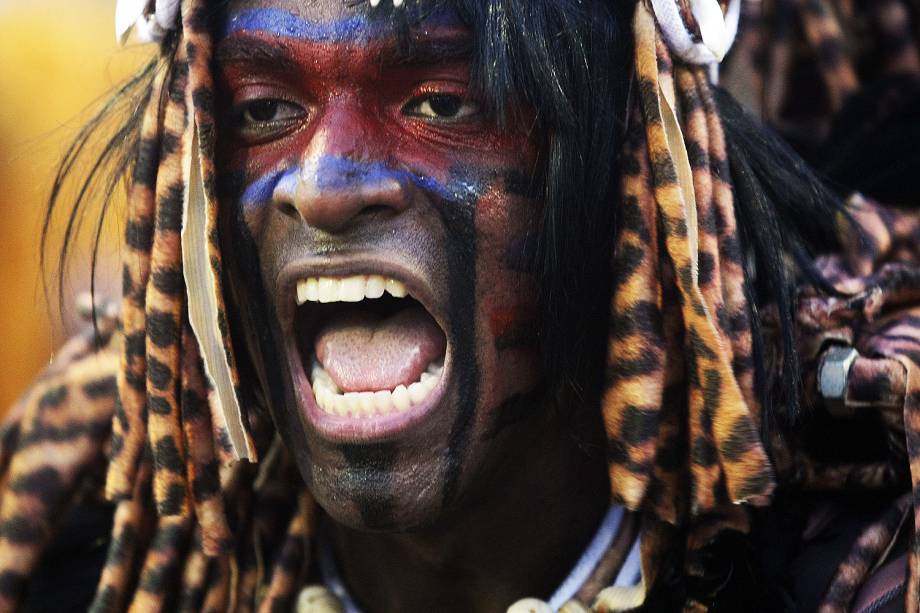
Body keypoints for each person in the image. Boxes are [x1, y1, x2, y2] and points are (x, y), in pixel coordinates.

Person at [0, 0, 918, 611]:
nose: (322, 188)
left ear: (637, 180)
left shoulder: (867, 546)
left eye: (441, 104)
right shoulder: (80, 543)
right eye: (263, 111)